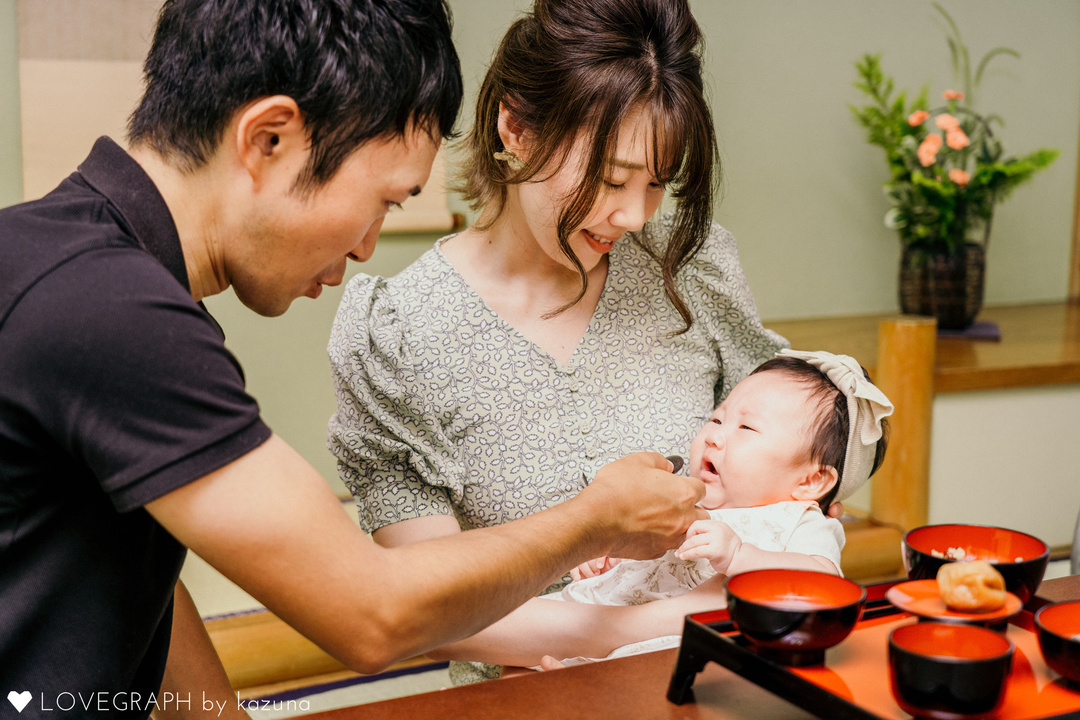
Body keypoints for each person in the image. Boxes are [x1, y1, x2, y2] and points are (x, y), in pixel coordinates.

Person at [0, 1, 708, 714]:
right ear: (268, 138)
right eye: (385, 200)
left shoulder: (65, 266)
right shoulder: (111, 311)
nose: (369, 246)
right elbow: (372, 614)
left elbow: (138, 577)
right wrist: (593, 519)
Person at [327, 0, 788, 683]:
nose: (634, 215)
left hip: (716, 688)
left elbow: (801, 456)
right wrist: (665, 621)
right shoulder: (397, 333)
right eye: (610, 178)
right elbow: (426, 606)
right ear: (515, 128)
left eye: (657, 182)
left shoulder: (687, 269)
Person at [431, 350, 894, 670]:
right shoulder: (683, 498)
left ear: (811, 480)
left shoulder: (801, 522)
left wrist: (740, 558)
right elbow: (644, 559)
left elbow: (823, 582)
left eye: (747, 428)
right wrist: (609, 554)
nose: (715, 434)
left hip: (676, 659)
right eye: (716, 417)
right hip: (595, 636)